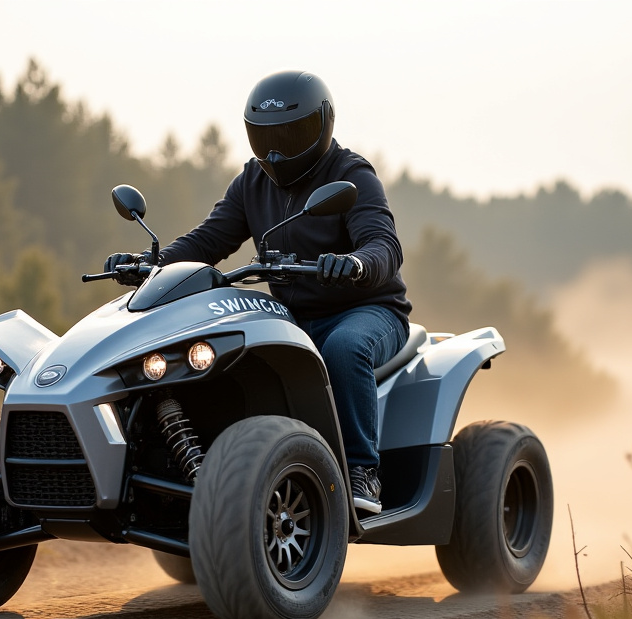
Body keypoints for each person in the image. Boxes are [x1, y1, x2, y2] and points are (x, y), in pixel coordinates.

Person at [105, 70, 410, 515]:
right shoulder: (252, 181)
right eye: (266, 136)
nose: (276, 149)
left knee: (345, 349)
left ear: (323, 125)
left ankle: (363, 471)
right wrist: (150, 263)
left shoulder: (351, 175)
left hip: (366, 310)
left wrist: (357, 264)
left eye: (292, 133)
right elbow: (207, 241)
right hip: (290, 317)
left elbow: (384, 244)